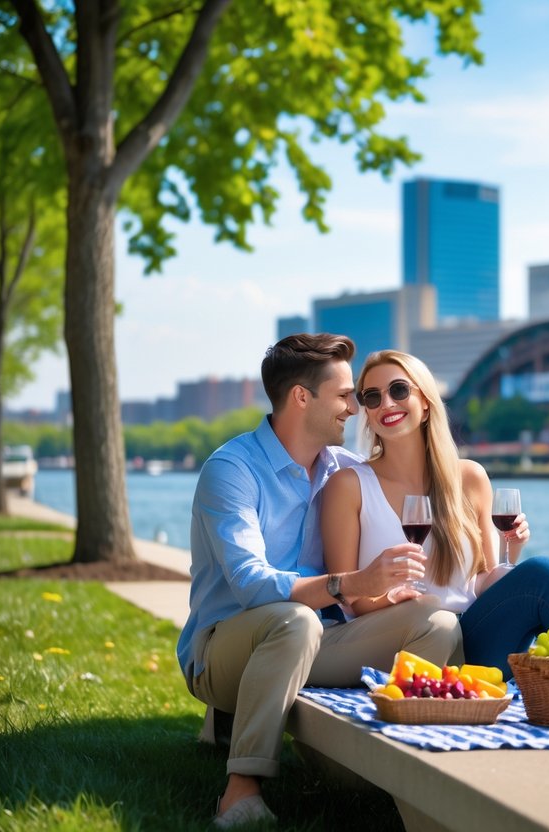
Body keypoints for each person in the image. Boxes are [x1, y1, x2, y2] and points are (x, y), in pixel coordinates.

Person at [177, 334, 461, 829]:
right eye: (346, 394)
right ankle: (240, 792)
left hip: (317, 639)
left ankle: (388, 760)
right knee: (295, 622)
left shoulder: (343, 470)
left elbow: (411, 484)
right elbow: (250, 583)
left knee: (435, 622)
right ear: (301, 397)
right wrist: (348, 583)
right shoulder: (232, 470)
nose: (356, 408)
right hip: (224, 651)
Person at [321, 349, 549, 676]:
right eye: (372, 397)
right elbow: (348, 597)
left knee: (539, 573)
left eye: (398, 390)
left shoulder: (469, 478)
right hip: (399, 638)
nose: (386, 403)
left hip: (472, 639)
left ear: (425, 402)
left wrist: (513, 550)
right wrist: (390, 597)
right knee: (440, 622)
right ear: (367, 413)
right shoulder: (349, 485)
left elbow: (482, 580)